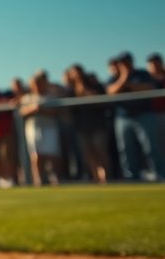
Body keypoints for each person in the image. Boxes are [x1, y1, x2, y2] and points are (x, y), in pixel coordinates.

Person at [108, 52, 162, 180]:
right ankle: (131, 177)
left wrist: (128, 85)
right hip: (123, 117)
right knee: (126, 149)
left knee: (151, 147)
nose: (123, 65)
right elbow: (111, 91)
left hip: (145, 114)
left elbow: (149, 87)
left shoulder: (142, 74)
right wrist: (124, 77)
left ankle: (159, 174)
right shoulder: (114, 77)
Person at [66, 64, 110, 183]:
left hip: (97, 125)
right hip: (81, 126)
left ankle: (106, 176)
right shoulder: (71, 90)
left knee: (100, 149)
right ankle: (95, 176)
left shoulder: (94, 84)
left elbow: (101, 101)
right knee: (87, 153)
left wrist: (83, 87)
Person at [19, 72, 63, 186]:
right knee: (36, 155)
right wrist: (33, 109)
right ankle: (38, 180)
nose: (37, 86)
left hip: (49, 128)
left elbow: (56, 112)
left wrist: (42, 110)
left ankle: (55, 178)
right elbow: (21, 112)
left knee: (52, 154)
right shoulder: (27, 98)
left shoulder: (50, 97)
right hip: (33, 128)